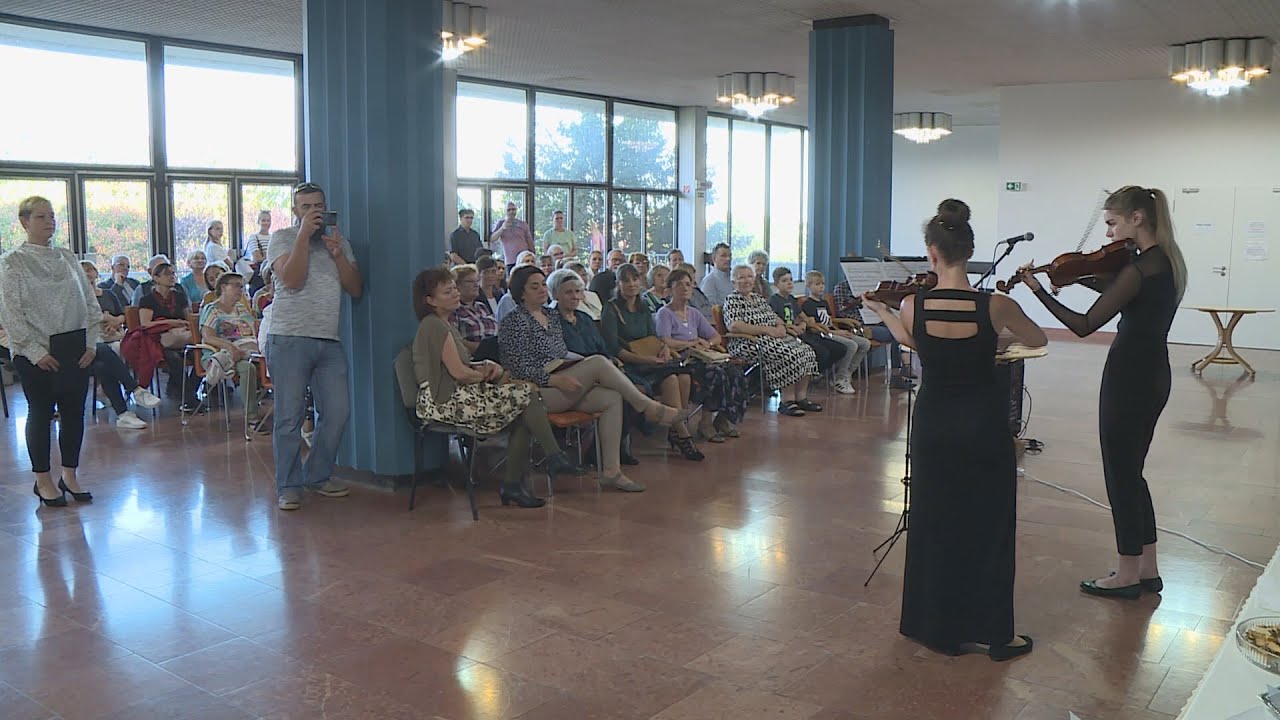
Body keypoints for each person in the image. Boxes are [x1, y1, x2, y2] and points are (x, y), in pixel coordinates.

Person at [863, 198, 1046, 661]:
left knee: (934, 521)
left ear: (932, 253)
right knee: (989, 524)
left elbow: (914, 340)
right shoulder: (996, 305)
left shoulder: (913, 304)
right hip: (982, 426)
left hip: (933, 425)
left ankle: (934, 627)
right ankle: (996, 635)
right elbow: (1038, 339)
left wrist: (882, 313)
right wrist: (995, 340)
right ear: (970, 252)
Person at [1018, 185, 1184, 599]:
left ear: (1136, 219)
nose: (1108, 234)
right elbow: (1121, 295)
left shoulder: (1139, 269)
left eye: (1112, 223)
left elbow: (1083, 325)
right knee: (1132, 473)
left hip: (1129, 377)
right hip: (1153, 374)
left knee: (1120, 476)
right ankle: (1147, 569)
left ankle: (1126, 574)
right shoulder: (1162, 263)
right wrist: (1078, 277)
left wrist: (1038, 291)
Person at [498, 266, 687, 492]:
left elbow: (561, 353)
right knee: (598, 361)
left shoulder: (550, 316)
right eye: (534, 286)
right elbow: (516, 368)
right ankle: (648, 407)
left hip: (563, 375)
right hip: (538, 391)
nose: (541, 290)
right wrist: (554, 380)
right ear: (521, 292)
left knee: (611, 397)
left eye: (542, 285)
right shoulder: (514, 321)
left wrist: (580, 365)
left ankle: (611, 472)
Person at [414, 267, 582, 508]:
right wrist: (484, 375)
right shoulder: (434, 326)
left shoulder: (445, 325)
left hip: (457, 393)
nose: (455, 294)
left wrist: (485, 366)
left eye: (454, 289)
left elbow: (459, 365)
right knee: (527, 396)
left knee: (525, 406)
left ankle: (517, 482)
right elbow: (459, 373)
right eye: (447, 291)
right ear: (430, 300)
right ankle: (550, 458)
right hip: (444, 400)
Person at [266, 181, 363, 511]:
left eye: (318, 207)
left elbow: (355, 288)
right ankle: (289, 485)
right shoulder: (282, 238)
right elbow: (292, 280)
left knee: (337, 412)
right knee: (289, 417)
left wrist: (338, 255)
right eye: (305, 207)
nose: (313, 212)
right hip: (289, 339)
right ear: (295, 211)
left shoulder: (338, 241)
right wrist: (303, 238)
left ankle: (317, 475)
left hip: (329, 340)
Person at [0, 196, 99, 507]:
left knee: (73, 413)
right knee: (41, 413)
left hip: (74, 348)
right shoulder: (12, 262)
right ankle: (42, 480)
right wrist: (34, 351)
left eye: (52, 216)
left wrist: (91, 343)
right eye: (41, 217)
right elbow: (10, 313)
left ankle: (69, 475)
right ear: (24, 222)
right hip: (36, 351)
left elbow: (89, 302)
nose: (50, 222)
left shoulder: (67, 257)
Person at [602, 264, 701, 461]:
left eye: (635, 279)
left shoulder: (643, 307)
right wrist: (645, 359)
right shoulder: (611, 309)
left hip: (649, 360)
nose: (632, 284)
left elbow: (653, 337)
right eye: (626, 280)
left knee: (680, 377)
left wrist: (664, 348)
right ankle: (683, 435)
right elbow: (614, 348)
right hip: (627, 364)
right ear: (618, 284)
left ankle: (677, 430)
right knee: (671, 378)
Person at [657, 267, 747, 442]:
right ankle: (705, 423)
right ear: (670, 289)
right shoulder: (665, 313)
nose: (685, 288)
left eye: (688, 284)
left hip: (701, 356)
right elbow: (665, 341)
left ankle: (722, 419)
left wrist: (708, 343)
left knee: (735, 372)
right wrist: (691, 343)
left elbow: (715, 336)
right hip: (683, 361)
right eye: (679, 285)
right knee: (716, 374)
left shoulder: (693, 313)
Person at [723, 264, 820, 417]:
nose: (747, 280)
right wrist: (767, 330)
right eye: (741, 277)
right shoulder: (732, 300)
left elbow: (775, 318)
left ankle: (801, 397)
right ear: (733, 282)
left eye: (749, 276)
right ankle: (787, 401)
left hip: (771, 338)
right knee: (789, 354)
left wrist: (780, 327)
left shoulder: (758, 298)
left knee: (806, 350)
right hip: (747, 342)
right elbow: (734, 326)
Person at [80, 262, 159, 428]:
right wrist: (105, 319)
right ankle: (135, 389)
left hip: (106, 339)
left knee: (103, 366)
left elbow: (121, 315)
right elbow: (85, 321)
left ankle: (123, 413)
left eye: (90, 270)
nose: (87, 274)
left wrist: (114, 321)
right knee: (105, 348)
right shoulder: (77, 298)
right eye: (83, 271)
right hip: (85, 344)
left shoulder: (107, 294)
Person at [769, 267, 851, 393]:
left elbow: (803, 317)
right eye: (784, 281)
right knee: (821, 352)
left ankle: (816, 374)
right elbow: (776, 322)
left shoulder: (791, 299)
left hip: (801, 332)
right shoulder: (773, 300)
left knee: (840, 349)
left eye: (791, 279)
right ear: (776, 284)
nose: (789, 283)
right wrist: (795, 327)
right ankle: (808, 377)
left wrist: (804, 323)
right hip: (787, 334)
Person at [199, 272, 262, 424]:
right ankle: (252, 419)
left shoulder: (241, 308)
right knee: (247, 368)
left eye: (242, 286)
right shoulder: (212, 309)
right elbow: (208, 337)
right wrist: (230, 347)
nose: (241, 290)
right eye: (236, 286)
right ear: (223, 287)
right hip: (221, 352)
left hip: (247, 350)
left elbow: (252, 332)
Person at [834, 277, 913, 389]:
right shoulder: (841, 288)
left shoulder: (869, 283)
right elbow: (842, 312)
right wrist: (861, 319)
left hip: (875, 322)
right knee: (894, 334)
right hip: (860, 325)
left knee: (900, 328)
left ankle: (902, 370)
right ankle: (897, 374)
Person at [802, 270, 872, 395]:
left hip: (832, 331)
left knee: (865, 343)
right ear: (808, 285)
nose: (821, 287)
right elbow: (814, 326)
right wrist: (836, 333)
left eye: (822, 284)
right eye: (817, 284)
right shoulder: (808, 304)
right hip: (822, 334)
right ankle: (839, 378)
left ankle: (847, 373)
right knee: (851, 345)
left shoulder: (824, 303)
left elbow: (829, 320)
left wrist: (841, 325)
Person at [448, 264, 500, 362]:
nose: (476, 285)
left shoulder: (482, 307)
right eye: (470, 281)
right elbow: (455, 340)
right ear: (457, 286)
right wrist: (483, 348)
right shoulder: (454, 311)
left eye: (477, 281)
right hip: (474, 359)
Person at [491, 202, 535, 271]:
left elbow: (530, 242)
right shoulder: (501, 223)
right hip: (510, 260)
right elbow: (492, 238)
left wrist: (533, 256)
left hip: (524, 259)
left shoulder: (523, 224)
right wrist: (502, 228)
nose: (511, 212)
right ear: (505, 211)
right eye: (509, 210)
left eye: (513, 209)